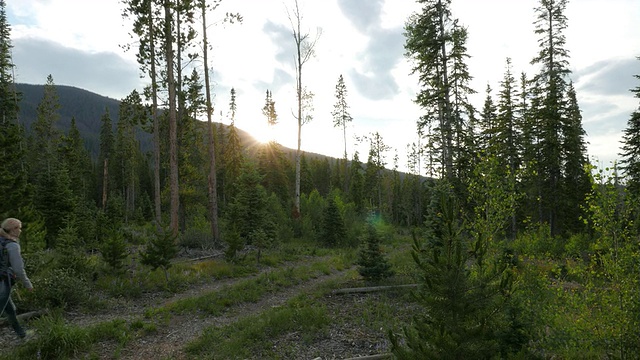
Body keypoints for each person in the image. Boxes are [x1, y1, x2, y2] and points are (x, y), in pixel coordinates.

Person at [0, 217, 34, 340]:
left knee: (10, 310)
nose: (20, 231)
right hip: (4, 282)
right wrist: (27, 284)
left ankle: (22, 335)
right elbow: (18, 269)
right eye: (19, 228)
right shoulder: (12, 246)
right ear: (13, 230)